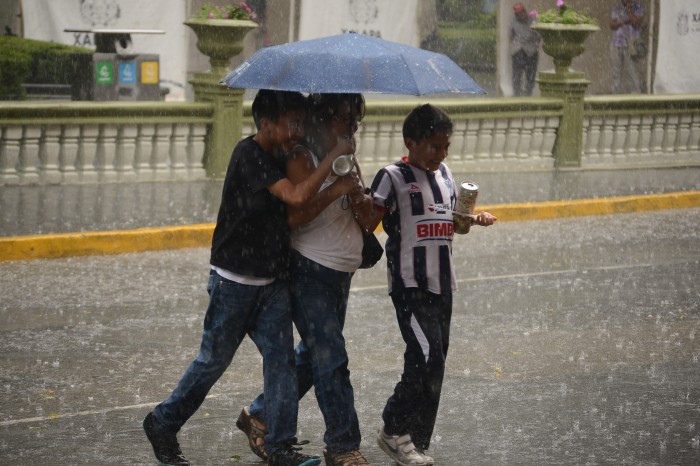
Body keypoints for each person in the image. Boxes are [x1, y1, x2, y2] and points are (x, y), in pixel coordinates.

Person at [142, 89, 355, 466]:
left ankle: (279, 446)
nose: (297, 130)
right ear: (266, 123)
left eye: (301, 123)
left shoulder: (285, 154)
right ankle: (163, 421)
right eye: (291, 123)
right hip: (234, 282)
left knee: (282, 362)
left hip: (271, 283)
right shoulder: (250, 155)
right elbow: (297, 196)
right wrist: (335, 159)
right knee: (212, 362)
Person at [236, 93, 374, 466]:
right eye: (343, 121)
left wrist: (365, 202)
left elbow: (362, 219)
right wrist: (336, 188)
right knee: (332, 359)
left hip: (340, 272)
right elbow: (295, 216)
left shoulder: (347, 161)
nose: (351, 129)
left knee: (315, 357)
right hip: (310, 271)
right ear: (322, 120)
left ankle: (260, 415)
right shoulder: (302, 158)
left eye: (355, 122)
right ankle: (343, 446)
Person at [368, 104, 497, 466]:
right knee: (426, 356)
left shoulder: (445, 176)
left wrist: (474, 219)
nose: (441, 155)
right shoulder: (391, 176)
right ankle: (393, 428)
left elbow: (455, 224)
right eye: (434, 147)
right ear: (411, 142)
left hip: (444, 283)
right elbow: (367, 220)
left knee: (434, 363)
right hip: (410, 284)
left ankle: (415, 442)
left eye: (446, 148)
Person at [610, 0, 644, 94]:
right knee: (616, 73)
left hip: (631, 46)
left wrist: (629, 12)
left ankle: (636, 95)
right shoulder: (617, 8)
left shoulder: (638, 7)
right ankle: (615, 96)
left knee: (633, 72)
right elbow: (612, 25)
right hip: (616, 43)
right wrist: (626, 20)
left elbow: (637, 24)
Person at [510, 2, 540, 97]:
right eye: (517, 14)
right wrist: (514, 45)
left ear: (524, 11)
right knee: (516, 74)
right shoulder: (513, 21)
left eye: (520, 13)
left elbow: (539, 35)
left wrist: (534, 41)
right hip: (518, 50)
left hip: (531, 50)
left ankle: (528, 93)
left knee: (531, 74)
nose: (519, 16)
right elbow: (510, 36)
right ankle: (517, 93)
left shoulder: (533, 20)